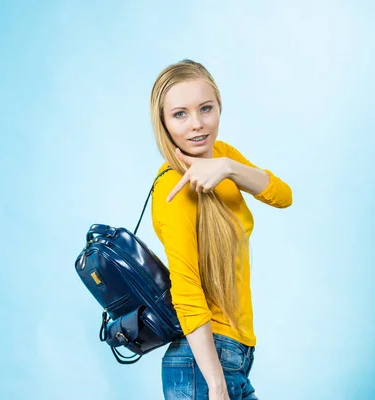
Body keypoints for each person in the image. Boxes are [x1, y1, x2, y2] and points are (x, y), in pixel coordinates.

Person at [149, 59, 293, 400]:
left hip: (236, 354)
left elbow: (282, 196)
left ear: (219, 108)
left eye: (206, 109)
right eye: (180, 114)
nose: (197, 125)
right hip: (202, 363)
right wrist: (215, 385)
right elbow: (186, 292)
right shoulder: (172, 190)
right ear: (163, 122)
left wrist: (228, 167)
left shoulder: (222, 156)